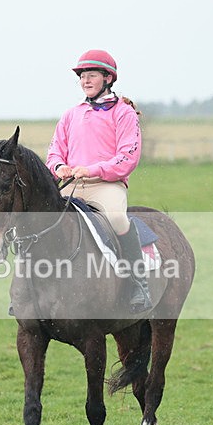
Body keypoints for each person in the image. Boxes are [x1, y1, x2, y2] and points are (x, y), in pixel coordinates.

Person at [46, 49, 150, 313]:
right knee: (40, 219)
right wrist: (59, 167)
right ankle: (29, 290)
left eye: (91, 75)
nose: (85, 81)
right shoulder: (70, 115)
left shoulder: (123, 113)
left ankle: (138, 284)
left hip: (106, 186)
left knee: (117, 219)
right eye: (82, 77)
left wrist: (91, 170)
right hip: (71, 185)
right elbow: (54, 151)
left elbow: (127, 158)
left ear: (108, 78)